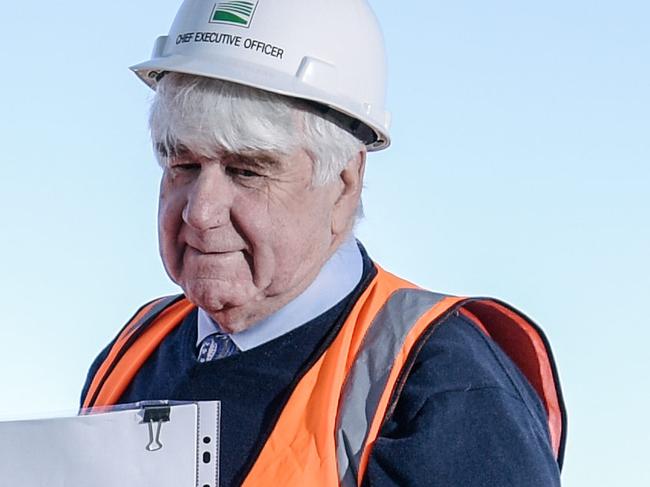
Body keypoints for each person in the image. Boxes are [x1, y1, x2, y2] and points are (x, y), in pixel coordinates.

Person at [81, 0, 566, 485]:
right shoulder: (134, 352)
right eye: (183, 165)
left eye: (247, 170)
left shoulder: (444, 382)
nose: (200, 211)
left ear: (344, 182)